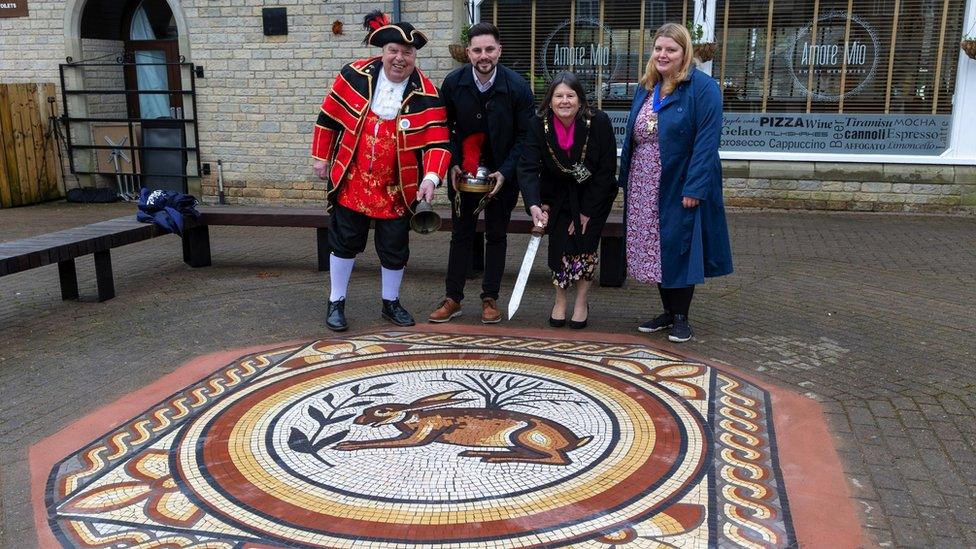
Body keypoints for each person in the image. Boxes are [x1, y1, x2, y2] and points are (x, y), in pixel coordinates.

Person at [311, 11, 451, 332]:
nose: (399, 58)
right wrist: (321, 156)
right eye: (394, 51)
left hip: (397, 188)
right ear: (383, 50)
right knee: (344, 242)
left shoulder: (428, 94)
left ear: (415, 56)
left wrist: (430, 178)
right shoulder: (354, 75)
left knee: (394, 248)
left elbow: (438, 144)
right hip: (352, 180)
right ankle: (336, 301)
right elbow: (328, 116)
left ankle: (390, 303)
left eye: (407, 52)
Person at [617, 22, 733, 343]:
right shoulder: (646, 87)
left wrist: (695, 187)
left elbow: (707, 143)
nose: (663, 54)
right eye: (658, 48)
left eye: (671, 49)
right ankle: (667, 312)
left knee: (679, 245)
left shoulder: (703, 89)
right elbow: (633, 137)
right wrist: (624, 177)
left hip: (679, 181)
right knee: (656, 247)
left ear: (685, 53)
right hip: (644, 183)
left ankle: (682, 317)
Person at [428, 22, 535, 324]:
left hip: (501, 178)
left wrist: (505, 172)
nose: (483, 55)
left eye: (489, 49)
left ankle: (490, 298)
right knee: (460, 235)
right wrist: (452, 163)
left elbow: (525, 137)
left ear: (499, 50)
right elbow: (442, 128)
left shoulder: (518, 87)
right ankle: (453, 298)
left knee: (497, 236)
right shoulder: (453, 83)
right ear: (468, 52)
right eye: (477, 50)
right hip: (464, 175)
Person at [518, 72, 618, 330]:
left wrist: (587, 211)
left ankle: (582, 302)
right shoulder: (538, 124)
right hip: (557, 195)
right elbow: (528, 167)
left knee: (584, 246)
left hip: (594, 195)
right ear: (550, 100)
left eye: (570, 95)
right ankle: (560, 301)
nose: (564, 101)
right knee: (561, 246)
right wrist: (533, 204)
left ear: (580, 99)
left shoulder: (599, 122)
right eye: (558, 96)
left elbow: (607, 170)